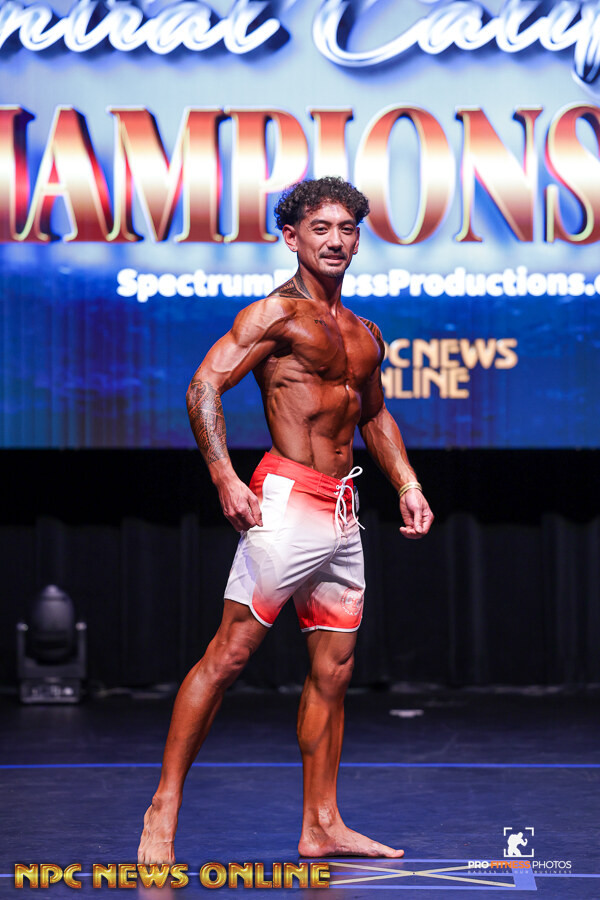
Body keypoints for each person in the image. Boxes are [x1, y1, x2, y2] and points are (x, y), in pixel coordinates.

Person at [137, 176, 434, 865]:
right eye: (320, 228)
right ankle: (164, 804)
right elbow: (205, 384)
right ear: (292, 237)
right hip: (286, 502)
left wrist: (408, 483)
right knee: (230, 655)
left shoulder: (365, 333)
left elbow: (374, 415)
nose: (335, 240)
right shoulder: (274, 316)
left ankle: (322, 824)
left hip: (342, 510)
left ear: (358, 241)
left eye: (347, 229)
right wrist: (223, 475)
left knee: (335, 670)